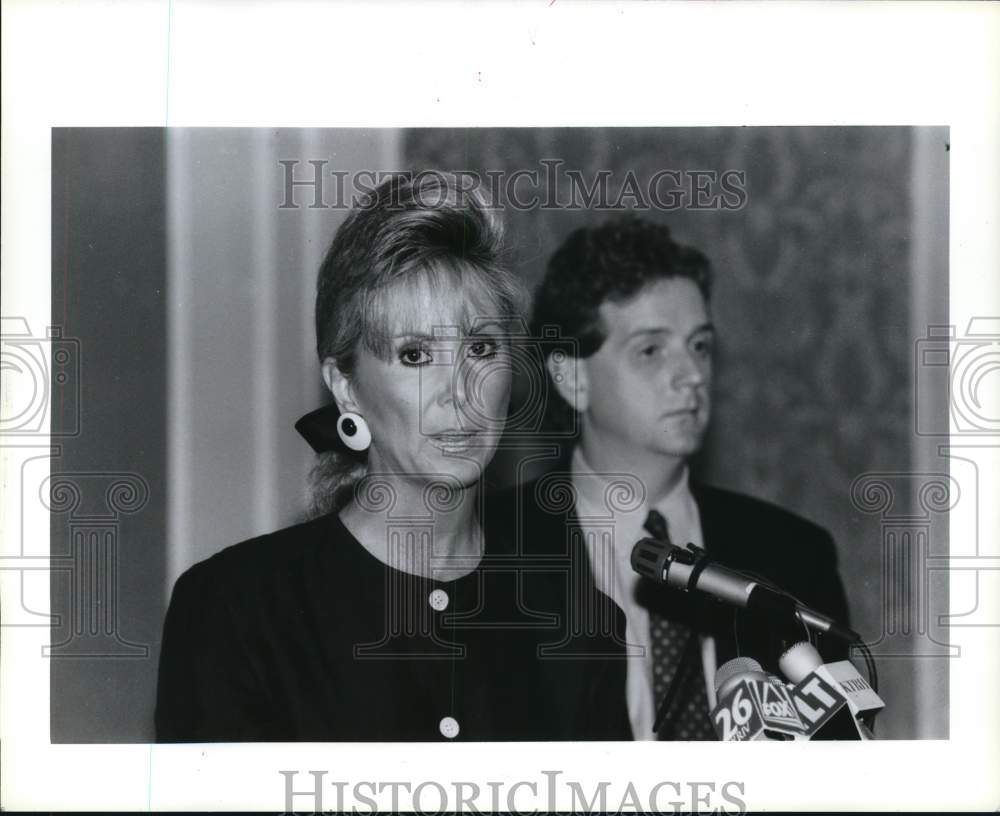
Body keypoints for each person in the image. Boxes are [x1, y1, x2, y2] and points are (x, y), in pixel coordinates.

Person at [154, 173, 630, 742]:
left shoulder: (583, 629)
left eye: (481, 348)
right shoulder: (236, 611)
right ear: (347, 386)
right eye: (415, 354)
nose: (462, 391)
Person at [512, 214, 851, 741]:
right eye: (651, 350)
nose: (693, 375)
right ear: (571, 377)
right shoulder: (492, 548)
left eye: (700, 346)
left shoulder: (795, 555)